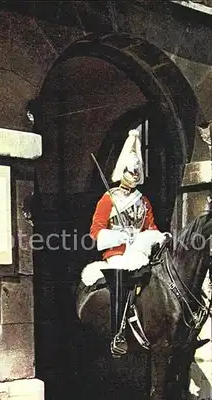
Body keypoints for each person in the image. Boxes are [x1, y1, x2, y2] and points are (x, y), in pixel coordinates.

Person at [86, 129, 168, 356]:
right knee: (121, 279)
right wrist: (118, 237)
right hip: (116, 252)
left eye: (137, 172)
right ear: (122, 172)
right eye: (131, 172)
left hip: (139, 249)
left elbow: (150, 226)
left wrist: (158, 236)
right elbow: (96, 229)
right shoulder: (108, 199)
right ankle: (118, 334)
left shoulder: (144, 201)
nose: (134, 175)